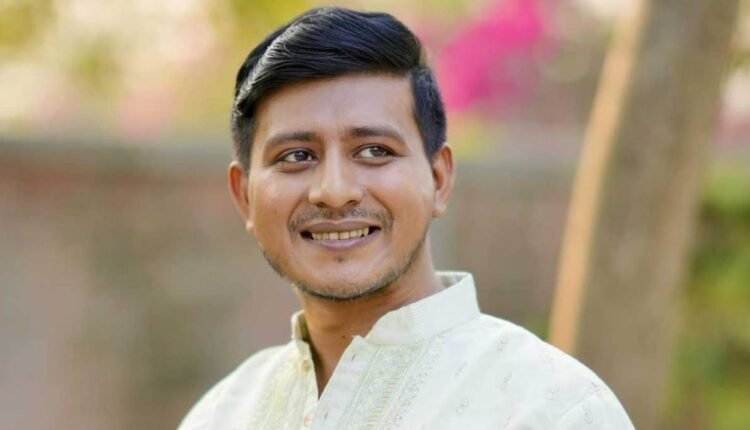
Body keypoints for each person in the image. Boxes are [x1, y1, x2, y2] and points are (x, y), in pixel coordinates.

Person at [178, 7, 634, 430]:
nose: (334, 191)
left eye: (374, 151)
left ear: (439, 179)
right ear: (244, 196)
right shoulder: (220, 415)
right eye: (297, 156)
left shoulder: (553, 408)